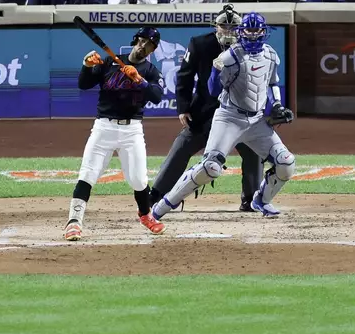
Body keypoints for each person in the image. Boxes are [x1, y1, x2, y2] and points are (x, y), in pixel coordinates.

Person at [151, 11, 295, 221]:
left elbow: (271, 83)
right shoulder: (214, 49)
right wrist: (186, 104)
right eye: (224, 25)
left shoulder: (271, 55)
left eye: (257, 30)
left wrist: (278, 106)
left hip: (254, 120)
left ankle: (256, 199)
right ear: (217, 26)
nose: (253, 35)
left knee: (285, 162)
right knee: (200, 159)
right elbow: (198, 83)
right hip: (219, 115)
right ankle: (160, 200)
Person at [64, 27, 166, 241]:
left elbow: (156, 95)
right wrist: (86, 65)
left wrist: (140, 80)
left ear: (153, 50)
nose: (143, 46)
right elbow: (83, 84)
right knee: (88, 174)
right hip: (104, 128)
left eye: (149, 45)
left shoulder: (150, 71)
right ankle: (74, 221)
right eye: (141, 41)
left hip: (132, 130)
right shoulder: (110, 63)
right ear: (135, 40)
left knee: (139, 180)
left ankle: (146, 215)